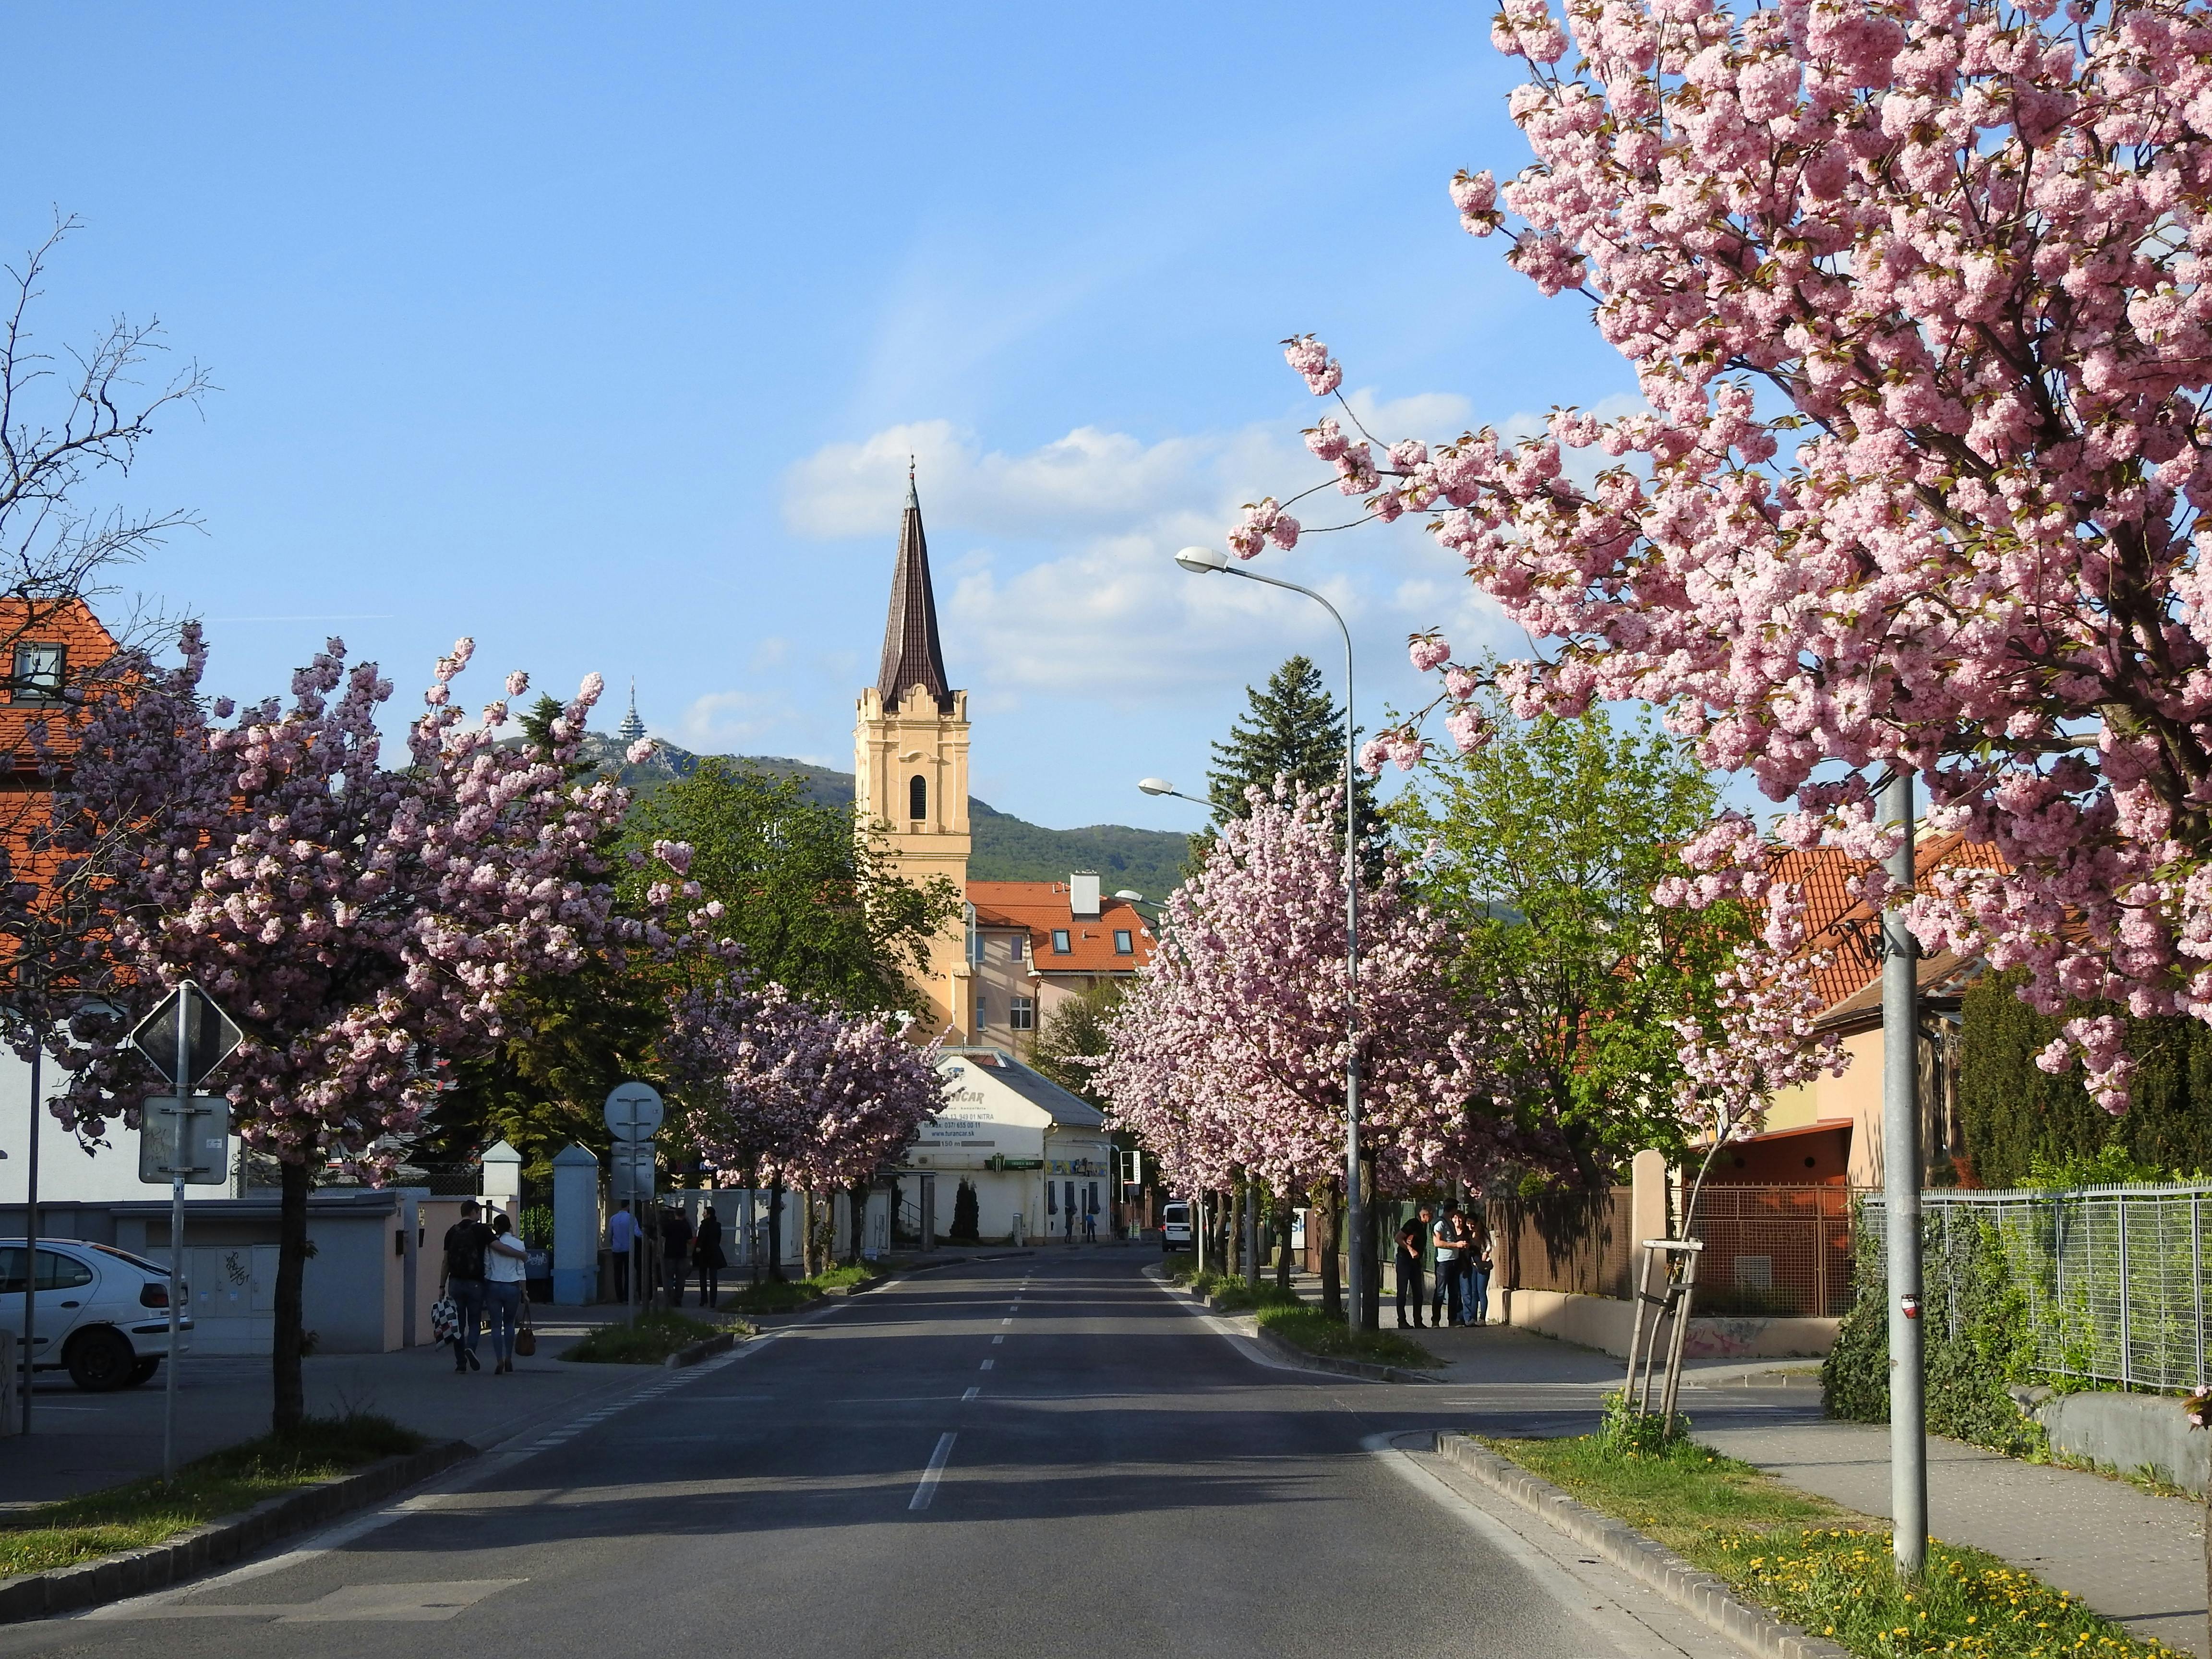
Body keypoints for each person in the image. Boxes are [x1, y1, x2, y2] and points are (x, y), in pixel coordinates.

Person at [440, 1199, 495, 1374]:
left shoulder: (451, 1232)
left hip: (455, 1283)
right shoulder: (482, 1230)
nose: (480, 1216)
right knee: (474, 1322)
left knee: (458, 1324)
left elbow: (445, 1262)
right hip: (476, 1284)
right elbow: (497, 1247)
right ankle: (471, 1347)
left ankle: (460, 1363)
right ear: (474, 1211)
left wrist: (442, 1286)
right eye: (479, 1212)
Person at [483, 1212, 528, 1373]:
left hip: (494, 1286)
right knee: (509, 1324)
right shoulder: (519, 1245)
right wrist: (525, 1292)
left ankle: (499, 1360)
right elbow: (521, 1270)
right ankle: (509, 1358)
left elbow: (487, 1267)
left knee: (495, 1325)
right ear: (510, 1226)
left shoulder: (492, 1244)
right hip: (512, 1286)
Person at [1432, 1205, 1469, 1330]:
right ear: (1451, 1210)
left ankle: (1453, 1319)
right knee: (1441, 1291)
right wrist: (1456, 1245)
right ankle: (1436, 1320)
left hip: (1455, 1260)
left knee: (1454, 1292)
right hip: (1443, 1262)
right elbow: (1437, 1243)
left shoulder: (1450, 1223)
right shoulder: (1440, 1223)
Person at [1394, 1217, 1427, 1328]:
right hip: (1405, 1260)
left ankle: (1418, 1321)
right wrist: (1410, 1249)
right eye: (1431, 1215)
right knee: (1402, 1291)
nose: (1432, 1218)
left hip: (1416, 1262)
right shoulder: (1412, 1223)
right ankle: (1402, 1321)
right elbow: (1398, 1238)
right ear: (1425, 1214)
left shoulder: (1423, 1226)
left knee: (1418, 1292)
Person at [693, 1204, 727, 1308]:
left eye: (705, 1212)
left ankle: (704, 1299)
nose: (703, 1214)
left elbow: (701, 1238)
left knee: (703, 1277)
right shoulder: (718, 1225)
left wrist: (698, 1248)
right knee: (714, 1278)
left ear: (708, 1215)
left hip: (704, 1253)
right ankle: (713, 1301)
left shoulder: (704, 1225)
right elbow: (718, 1238)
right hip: (714, 1252)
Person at [660, 1204, 693, 1305]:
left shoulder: (669, 1225)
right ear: (684, 1215)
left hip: (669, 1254)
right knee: (681, 1278)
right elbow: (690, 1240)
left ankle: (670, 1297)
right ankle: (678, 1299)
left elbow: (663, 1238)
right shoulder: (686, 1226)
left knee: (669, 1277)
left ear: (675, 1215)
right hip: (682, 1254)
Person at [1468, 1211, 1495, 1326]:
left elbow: (1489, 1244)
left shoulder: (1483, 1232)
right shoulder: (1468, 1234)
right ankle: (1472, 1318)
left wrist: (1486, 1253)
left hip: (1482, 1264)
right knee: (1474, 1292)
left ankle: (1482, 1318)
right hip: (1473, 1264)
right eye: (1468, 1224)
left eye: (1472, 1224)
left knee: (1481, 1292)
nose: (1470, 1226)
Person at [608, 1200, 636, 1301]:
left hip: (616, 1250)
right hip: (628, 1249)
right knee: (628, 1274)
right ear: (629, 1206)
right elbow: (637, 1233)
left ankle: (619, 1297)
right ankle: (627, 1297)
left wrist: (612, 1243)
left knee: (618, 1274)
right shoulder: (631, 1218)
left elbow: (610, 1234)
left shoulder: (613, 1218)